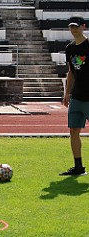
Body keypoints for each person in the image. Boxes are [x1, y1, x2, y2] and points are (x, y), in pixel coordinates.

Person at [60, 16, 89, 176]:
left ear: (83, 27)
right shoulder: (70, 48)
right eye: (71, 27)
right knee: (74, 131)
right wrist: (67, 92)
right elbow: (71, 71)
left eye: (76, 27)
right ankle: (78, 167)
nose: (73, 30)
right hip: (77, 96)